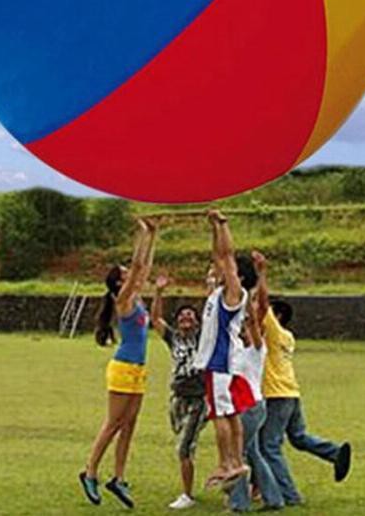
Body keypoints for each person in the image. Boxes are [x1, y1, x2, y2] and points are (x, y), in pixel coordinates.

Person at [257, 250, 352, 507]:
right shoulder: (288, 337)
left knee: (269, 447)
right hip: (292, 392)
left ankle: (290, 495)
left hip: (276, 394)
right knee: (298, 437)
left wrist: (261, 273)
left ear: (276, 317)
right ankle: (335, 452)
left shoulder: (274, 333)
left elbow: (262, 303)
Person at [79, 218, 159, 509]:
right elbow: (139, 268)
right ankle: (89, 472)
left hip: (138, 370)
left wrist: (153, 235)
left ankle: (119, 478)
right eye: (125, 274)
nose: (132, 276)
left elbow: (144, 269)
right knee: (113, 424)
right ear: (118, 283)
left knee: (130, 425)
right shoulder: (122, 301)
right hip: (123, 368)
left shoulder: (134, 297)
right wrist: (141, 234)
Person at [194, 209, 258, 491]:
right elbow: (219, 257)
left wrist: (222, 224)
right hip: (224, 362)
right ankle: (236, 460)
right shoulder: (220, 293)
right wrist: (213, 229)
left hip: (219, 362)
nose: (217, 270)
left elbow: (227, 257)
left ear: (239, 278)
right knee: (230, 413)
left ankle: (227, 462)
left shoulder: (234, 294)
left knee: (219, 413)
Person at [228, 257, 284, 512]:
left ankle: (239, 503)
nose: (245, 331)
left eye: (248, 329)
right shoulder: (238, 349)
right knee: (253, 453)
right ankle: (274, 498)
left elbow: (256, 311)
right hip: (246, 406)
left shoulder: (257, 351)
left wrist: (257, 279)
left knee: (237, 454)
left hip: (250, 408)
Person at [151, 273, 207, 510]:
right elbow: (155, 318)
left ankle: (187, 495)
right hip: (177, 396)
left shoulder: (203, 338)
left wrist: (211, 287)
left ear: (196, 322)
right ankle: (190, 476)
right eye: (182, 315)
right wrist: (159, 292)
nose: (186, 317)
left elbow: (210, 315)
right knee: (182, 438)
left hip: (198, 398)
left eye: (190, 315)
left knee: (183, 446)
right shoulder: (173, 338)